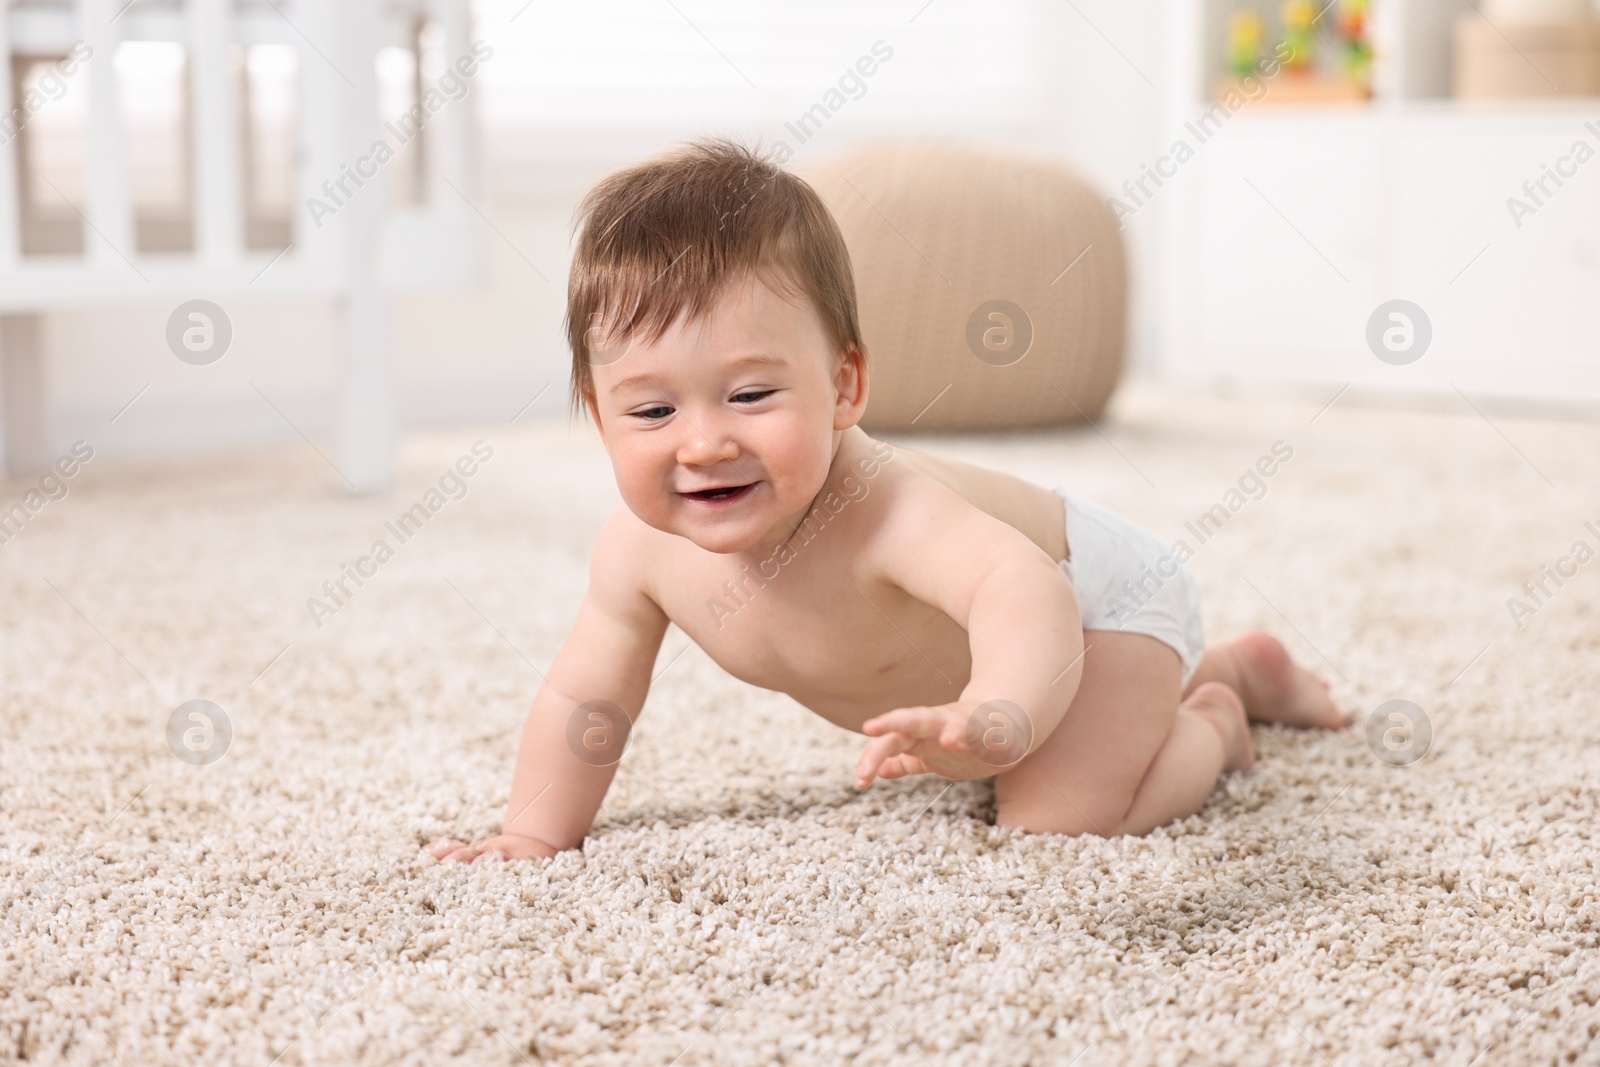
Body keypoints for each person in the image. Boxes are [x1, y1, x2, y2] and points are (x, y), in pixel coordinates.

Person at [426, 139, 1344, 864]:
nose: (704, 442)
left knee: (1055, 821)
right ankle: (1235, 664)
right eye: (654, 410)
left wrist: (999, 715)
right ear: (599, 418)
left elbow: (1023, 594)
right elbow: (587, 697)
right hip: (1014, 647)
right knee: (1043, 772)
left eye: (750, 395)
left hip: (1099, 605)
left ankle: (1212, 719)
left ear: (845, 386)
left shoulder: (886, 508)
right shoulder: (636, 556)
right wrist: (535, 834)